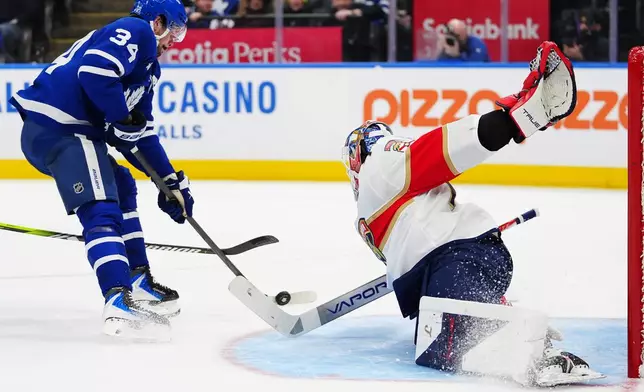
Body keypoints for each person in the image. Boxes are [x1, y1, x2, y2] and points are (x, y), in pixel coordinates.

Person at [341, 41, 603, 386]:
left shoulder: (379, 164)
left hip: (457, 257)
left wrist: (510, 123)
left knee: (448, 343)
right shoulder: (373, 208)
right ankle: (505, 318)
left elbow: (436, 151)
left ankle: (537, 350)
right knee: (436, 343)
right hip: (451, 265)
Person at [9, 0, 194, 341]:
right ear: (159, 22)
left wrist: (169, 181)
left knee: (122, 184)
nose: (174, 43)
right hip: (60, 128)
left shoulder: (148, 69)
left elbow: (138, 135)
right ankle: (117, 298)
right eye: (176, 32)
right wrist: (121, 115)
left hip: (66, 132)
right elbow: (94, 72)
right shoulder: (135, 30)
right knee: (102, 206)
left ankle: (136, 278)